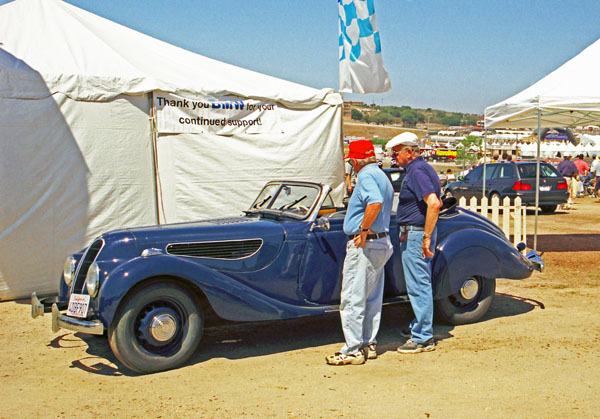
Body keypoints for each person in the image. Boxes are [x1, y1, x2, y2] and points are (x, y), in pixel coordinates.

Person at [326, 140, 394, 365]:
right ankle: (368, 343)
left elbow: (374, 202)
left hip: (366, 243)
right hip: (382, 241)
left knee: (353, 298)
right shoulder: (382, 175)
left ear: (355, 161)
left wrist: (363, 229)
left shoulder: (365, 176)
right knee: (372, 297)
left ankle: (353, 348)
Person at [385, 132, 442, 353]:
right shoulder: (422, 168)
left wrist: (426, 236)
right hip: (418, 232)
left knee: (418, 285)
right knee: (420, 282)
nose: (393, 157)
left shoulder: (416, 171)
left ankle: (423, 336)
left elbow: (433, 203)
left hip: (416, 233)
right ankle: (420, 326)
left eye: (396, 153)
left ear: (409, 152)